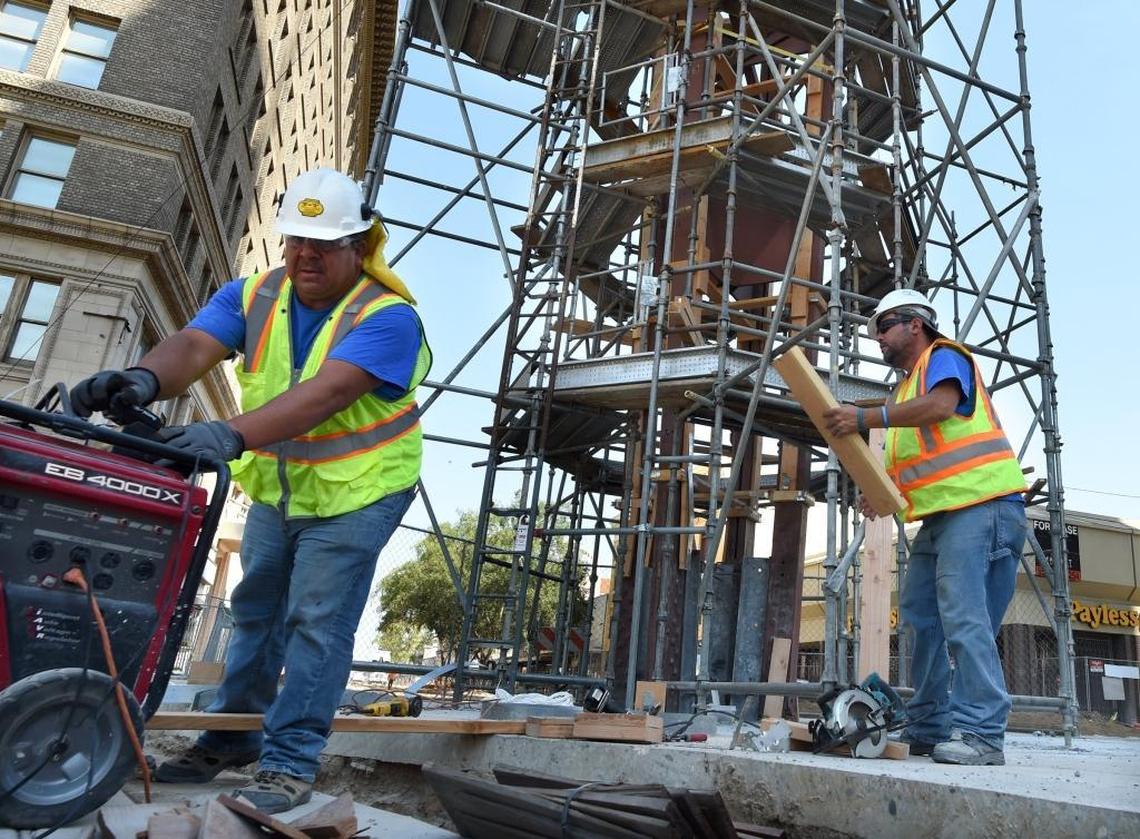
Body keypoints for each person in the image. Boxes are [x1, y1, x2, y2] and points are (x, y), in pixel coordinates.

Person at [70, 168, 431, 813]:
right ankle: (229, 740)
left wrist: (228, 436)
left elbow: (325, 396)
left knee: (317, 618)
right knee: (257, 610)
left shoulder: (389, 318)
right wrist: (142, 380)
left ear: (360, 246)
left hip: (363, 490)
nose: (305, 255)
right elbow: (193, 344)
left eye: (323, 244)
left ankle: (290, 761)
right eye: (295, 240)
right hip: (284, 489)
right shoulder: (257, 295)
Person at [822, 288, 1027, 766]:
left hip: (982, 505)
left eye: (884, 325)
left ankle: (982, 733)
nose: (877, 336)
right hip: (941, 516)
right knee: (921, 620)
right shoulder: (905, 389)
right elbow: (924, 460)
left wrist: (866, 417)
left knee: (963, 618)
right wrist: (882, 492)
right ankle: (932, 727)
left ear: (916, 324)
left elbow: (942, 407)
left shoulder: (944, 356)